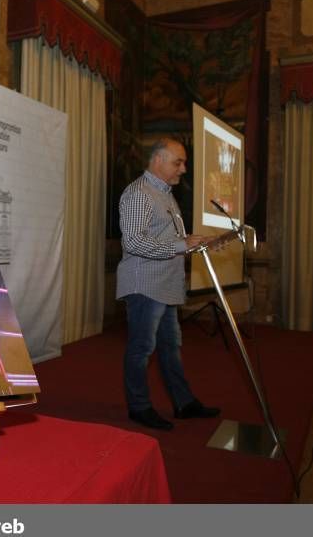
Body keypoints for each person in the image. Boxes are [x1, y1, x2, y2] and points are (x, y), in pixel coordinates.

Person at [117, 138, 220, 431]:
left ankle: (184, 403)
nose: (183, 169)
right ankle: (139, 407)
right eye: (178, 162)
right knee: (142, 348)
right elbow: (134, 241)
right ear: (158, 160)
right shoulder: (140, 193)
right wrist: (179, 245)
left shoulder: (165, 194)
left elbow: (167, 240)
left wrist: (195, 243)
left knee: (170, 347)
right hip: (145, 284)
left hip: (165, 284)